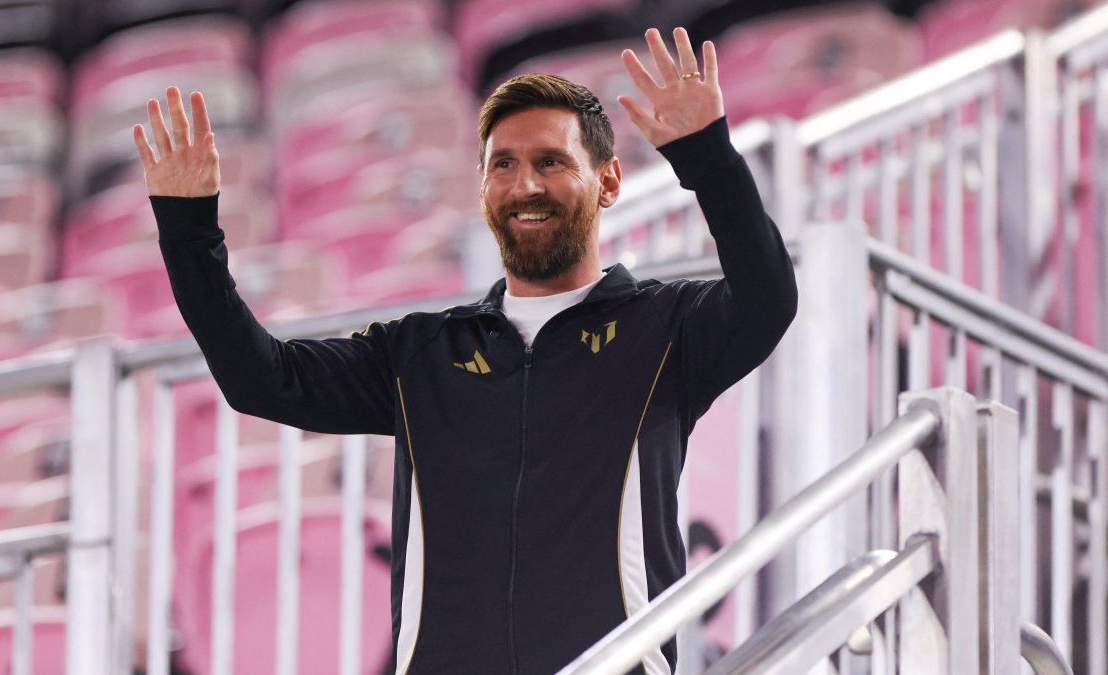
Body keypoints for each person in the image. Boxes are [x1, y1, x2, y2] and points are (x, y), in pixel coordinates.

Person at [135, 26, 796, 675]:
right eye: (502, 165)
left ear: (609, 182)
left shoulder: (664, 327)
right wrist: (190, 235)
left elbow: (767, 301)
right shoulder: (420, 351)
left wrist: (709, 158)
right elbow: (261, 380)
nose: (525, 185)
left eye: (551, 162)